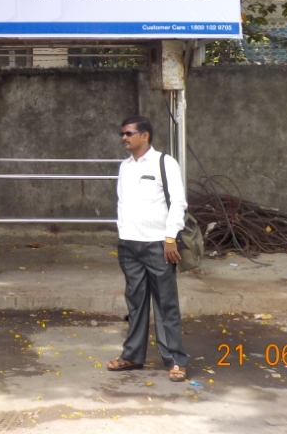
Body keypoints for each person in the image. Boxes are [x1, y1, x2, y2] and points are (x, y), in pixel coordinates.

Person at [107, 115, 190, 382]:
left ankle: (175, 360)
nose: (124, 137)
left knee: (166, 304)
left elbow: (178, 202)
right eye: (123, 133)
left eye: (129, 133)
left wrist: (169, 238)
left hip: (158, 245)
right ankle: (132, 355)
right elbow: (122, 203)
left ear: (145, 136)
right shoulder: (124, 167)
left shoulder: (165, 163)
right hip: (130, 246)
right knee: (135, 303)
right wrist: (123, 235)